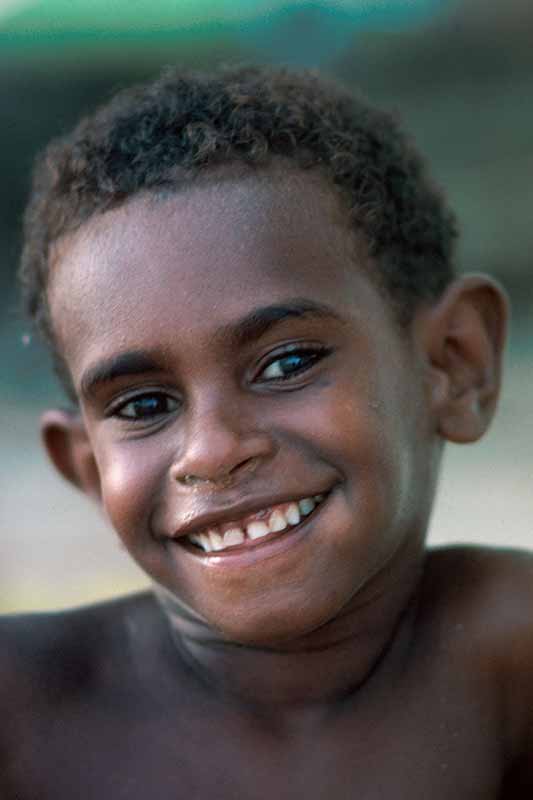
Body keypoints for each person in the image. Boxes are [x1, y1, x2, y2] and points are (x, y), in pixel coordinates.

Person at [1, 64, 531, 798]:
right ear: (88, 470)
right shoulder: (24, 715)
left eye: (286, 363)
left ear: (452, 365)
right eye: (145, 406)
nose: (214, 450)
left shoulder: (508, 666)